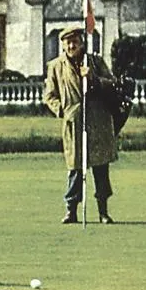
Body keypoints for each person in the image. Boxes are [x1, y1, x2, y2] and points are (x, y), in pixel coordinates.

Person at [42, 26, 118, 224]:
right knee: (75, 169)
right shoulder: (56, 67)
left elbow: (112, 83)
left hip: (97, 121)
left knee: (101, 169)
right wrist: (63, 111)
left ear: (81, 42)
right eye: (67, 42)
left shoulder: (95, 62)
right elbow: (49, 96)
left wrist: (92, 78)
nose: (71, 45)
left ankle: (103, 211)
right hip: (74, 122)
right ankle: (71, 210)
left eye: (74, 41)